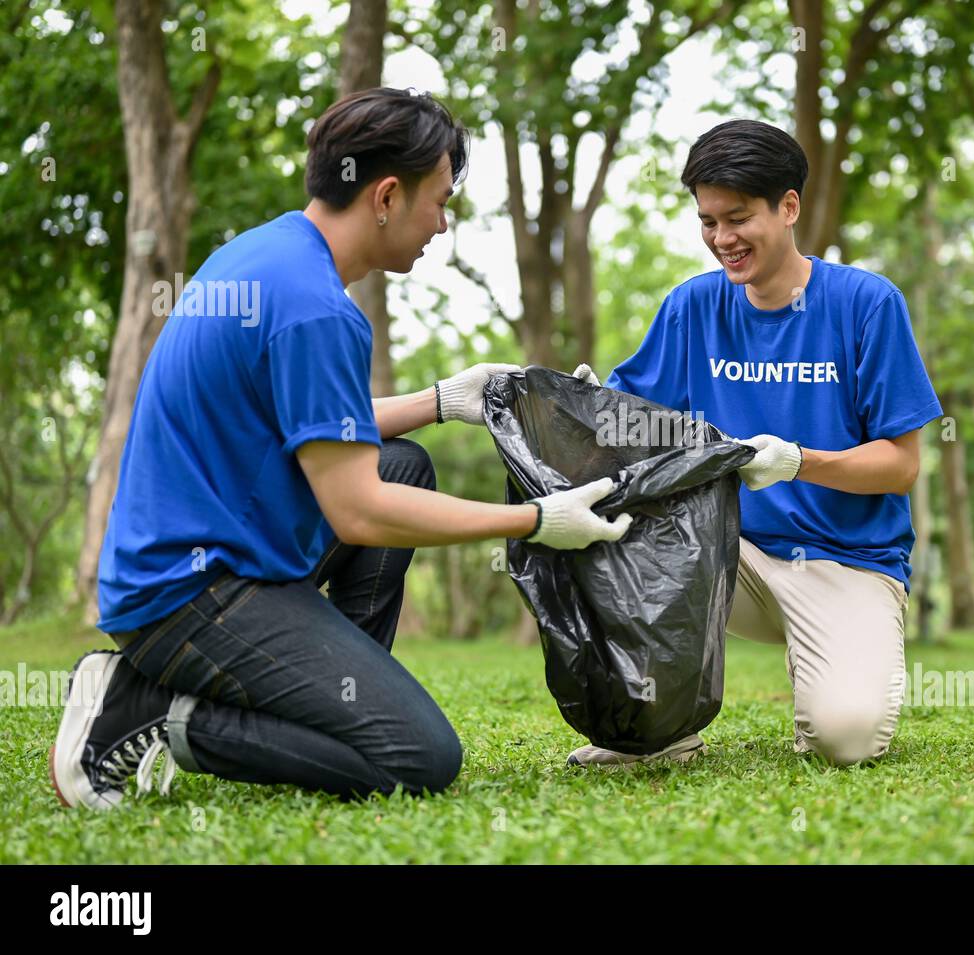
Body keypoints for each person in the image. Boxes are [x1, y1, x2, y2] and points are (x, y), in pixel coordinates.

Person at [50, 88, 632, 811]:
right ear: (387, 195)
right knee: (421, 754)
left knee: (403, 460)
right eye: (441, 201)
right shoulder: (317, 309)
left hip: (199, 552)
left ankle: (332, 702)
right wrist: (536, 520)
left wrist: (448, 400)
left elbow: (314, 424)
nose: (443, 224)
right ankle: (147, 713)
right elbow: (358, 512)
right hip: (184, 595)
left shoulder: (271, 254)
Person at [568, 119, 942, 767]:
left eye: (736, 218)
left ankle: (830, 652)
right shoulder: (691, 308)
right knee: (598, 518)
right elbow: (632, 427)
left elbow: (901, 466)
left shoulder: (866, 305)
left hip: (845, 560)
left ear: (789, 206)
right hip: (723, 555)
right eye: (708, 221)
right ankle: (659, 728)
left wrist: (799, 461)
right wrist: (584, 407)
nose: (721, 239)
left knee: (843, 740)